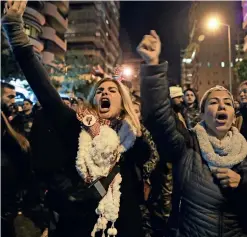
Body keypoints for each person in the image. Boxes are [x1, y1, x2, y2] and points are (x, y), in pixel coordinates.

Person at [2, 2, 155, 237]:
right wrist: (16, 33)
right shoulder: (77, 127)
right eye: (100, 91)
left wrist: (153, 67)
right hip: (79, 228)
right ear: (94, 101)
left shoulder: (134, 139)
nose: (105, 93)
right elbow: (45, 91)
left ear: (123, 103)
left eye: (112, 91)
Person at [137, 30, 247, 236]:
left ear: (234, 114)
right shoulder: (187, 145)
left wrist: (242, 184)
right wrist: (152, 66)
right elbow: (159, 117)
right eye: (214, 102)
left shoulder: (245, 151)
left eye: (227, 103)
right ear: (203, 114)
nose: (221, 106)